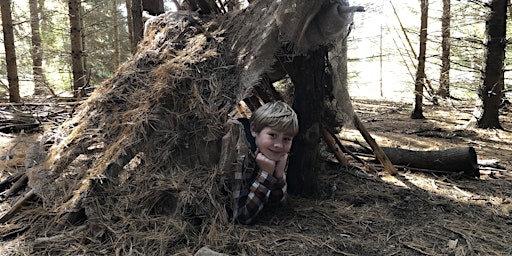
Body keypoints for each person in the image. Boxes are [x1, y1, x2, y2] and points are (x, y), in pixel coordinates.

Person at [231, 101, 299, 224]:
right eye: (272, 135)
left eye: (286, 139)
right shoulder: (242, 157)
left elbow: (279, 206)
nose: (279, 145)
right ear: (254, 130)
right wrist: (265, 174)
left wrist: (279, 174)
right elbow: (241, 217)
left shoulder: (278, 155)